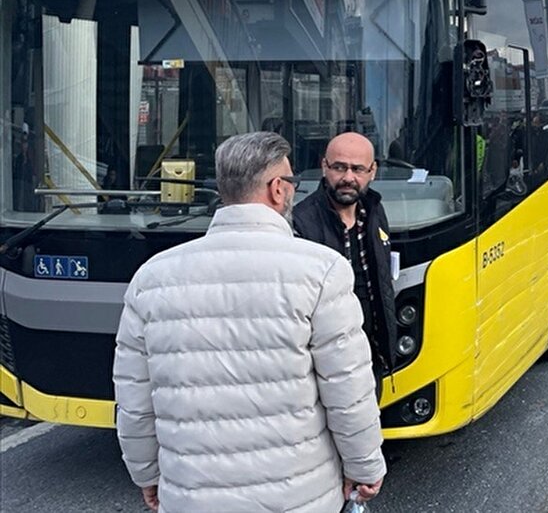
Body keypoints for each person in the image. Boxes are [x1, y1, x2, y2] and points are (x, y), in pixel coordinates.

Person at [113, 132, 386, 513]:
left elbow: (134, 400)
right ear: (277, 189)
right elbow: (347, 390)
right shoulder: (322, 271)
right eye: (291, 181)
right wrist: (364, 466)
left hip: (191, 496)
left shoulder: (151, 277)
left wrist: (146, 474)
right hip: (298, 497)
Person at [293, 132, 399, 383]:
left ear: (373, 171)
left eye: (358, 169)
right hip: (325, 364)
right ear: (324, 166)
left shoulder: (374, 211)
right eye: (339, 167)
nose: (348, 178)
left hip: (371, 356)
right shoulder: (301, 222)